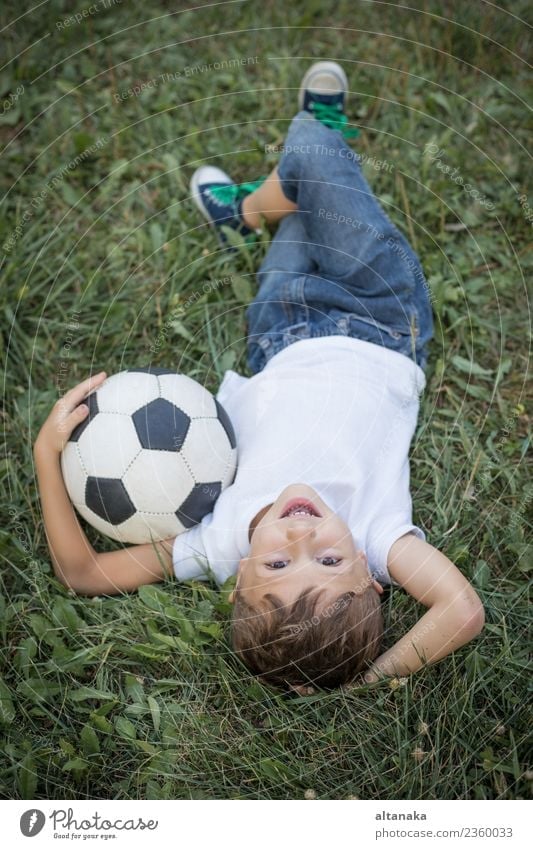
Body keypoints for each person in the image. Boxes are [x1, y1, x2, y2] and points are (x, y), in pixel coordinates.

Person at [34, 62, 484, 692]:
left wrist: (46, 452)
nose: (302, 532)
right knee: (309, 151)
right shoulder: (380, 533)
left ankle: (253, 212)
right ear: (371, 573)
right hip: (381, 314)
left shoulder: (217, 543)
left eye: (277, 561)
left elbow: (82, 574)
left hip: (279, 324)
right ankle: (263, 197)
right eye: (330, 559)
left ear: (238, 577)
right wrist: (369, 684)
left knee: (305, 192)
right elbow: (461, 611)